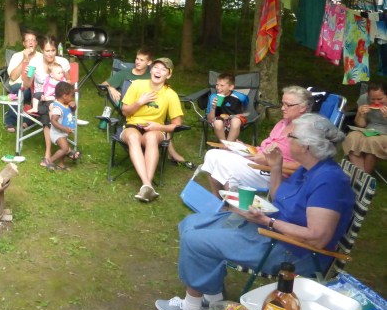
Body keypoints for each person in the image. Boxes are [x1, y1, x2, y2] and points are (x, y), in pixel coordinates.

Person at [155, 114, 353, 310]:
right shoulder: (309, 168)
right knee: (191, 224)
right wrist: (276, 166)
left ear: (306, 146)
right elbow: (279, 197)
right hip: (273, 231)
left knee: (195, 241)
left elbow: (317, 238)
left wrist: (267, 221)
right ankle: (213, 299)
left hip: (292, 251)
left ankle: (192, 307)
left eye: (291, 136)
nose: (285, 140)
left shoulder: (329, 182)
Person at [200, 86, 312, 196]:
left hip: (272, 172)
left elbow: (303, 166)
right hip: (257, 161)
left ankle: (232, 206)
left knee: (223, 163)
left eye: (288, 105)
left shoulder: (307, 131)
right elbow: (264, 148)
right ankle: (218, 198)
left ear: (303, 107)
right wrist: (245, 147)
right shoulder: (283, 123)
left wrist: (270, 162)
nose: (282, 108)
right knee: (212, 154)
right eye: (282, 104)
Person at [102, 48, 193, 169]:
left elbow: (173, 118)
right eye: (137, 59)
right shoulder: (127, 75)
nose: (138, 62)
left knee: (157, 131)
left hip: (155, 120)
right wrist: (111, 88)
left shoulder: (156, 79)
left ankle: (171, 154)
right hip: (131, 111)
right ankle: (170, 156)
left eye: (142, 60)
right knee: (143, 133)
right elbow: (105, 85)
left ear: (149, 63)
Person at [119, 57, 184, 202]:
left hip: (155, 128)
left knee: (152, 137)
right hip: (133, 125)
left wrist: (159, 127)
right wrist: (140, 102)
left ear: (169, 75)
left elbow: (177, 124)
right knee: (132, 137)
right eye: (156, 67)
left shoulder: (170, 94)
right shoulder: (137, 85)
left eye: (163, 69)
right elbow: (125, 111)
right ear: (151, 70)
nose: (158, 71)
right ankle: (147, 184)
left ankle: (145, 187)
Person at [24, 36, 70, 167]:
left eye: (53, 50)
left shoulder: (63, 62)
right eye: (47, 51)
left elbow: (70, 83)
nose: (50, 54)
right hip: (40, 99)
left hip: (59, 100)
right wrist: (28, 74)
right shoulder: (35, 62)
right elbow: (27, 85)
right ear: (42, 50)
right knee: (47, 112)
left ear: (56, 50)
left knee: (50, 112)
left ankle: (49, 155)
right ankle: (63, 151)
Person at [343, 81, 387, 174]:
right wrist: (361, 115)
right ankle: (359, 175)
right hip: (368, 130)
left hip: (384, 134)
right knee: (351, 137)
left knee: (372, 141)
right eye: (372, 99)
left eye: (380, 99)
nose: (376, 102)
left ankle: (364, 177)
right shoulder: (364, 99)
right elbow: (361, 124)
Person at [3, 30, 42, 132]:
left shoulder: (41, 57)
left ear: (36, 43)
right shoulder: (17, 56)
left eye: (33, 40)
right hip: (18, 84)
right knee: (21, 90)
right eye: (28, 40)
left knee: (40, 94)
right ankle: (10, 121)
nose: (30, 42)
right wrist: (25, 59)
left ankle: (27, 121)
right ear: (24, 43)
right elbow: (13, 77)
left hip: (36, 85)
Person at [205, 73, 248, 142]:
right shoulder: (213, 97)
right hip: (219, 120)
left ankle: (228, 144)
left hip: (235, 119)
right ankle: (224, 145)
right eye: (217, 85)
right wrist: (213, 108)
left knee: (235, 121)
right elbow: (210, 120)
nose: (218, 87)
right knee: (218, 122)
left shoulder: (240, 97)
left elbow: (245, 106)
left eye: (222, 85)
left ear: (231, 87)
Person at [46, 81, 79, 171]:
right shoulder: (57, 108)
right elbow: (53, 121)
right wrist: (64, 128)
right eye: (71, 96)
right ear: (65, 96)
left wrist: (73, 107)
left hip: (62, 133)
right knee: (64, 148)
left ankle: (61, 164)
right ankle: (49, 161)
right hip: (57, 133)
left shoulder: (65, 104)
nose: (72, 98)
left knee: (64, 148)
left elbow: (71, 111)